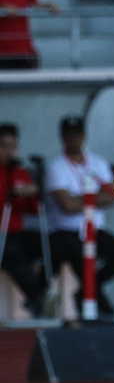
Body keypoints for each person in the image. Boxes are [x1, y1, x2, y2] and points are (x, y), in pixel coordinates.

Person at [46, 115, 114, 317]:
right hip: (65, 231)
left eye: (78, 135)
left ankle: (87, 295)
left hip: (94, 229)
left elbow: (113, 196)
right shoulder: (56, 167)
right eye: (69, 135)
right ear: (62, 138)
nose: (74, 139)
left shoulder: (98, 163)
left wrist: (80, 198)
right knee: (79, 258)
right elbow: (67, 205)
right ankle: (104, 311)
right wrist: (94, 197)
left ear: (84, 136)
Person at [0, 123, 47, 316]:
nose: (9, 151)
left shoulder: (20, 172)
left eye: (12, 146)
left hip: (17, 230)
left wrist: (34, 194)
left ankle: (43, 293)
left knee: (53, 246)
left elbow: (35, 211)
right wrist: (9, 194)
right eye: (3, 146)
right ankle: (38, 297)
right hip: (2, 235)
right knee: (13, 253)